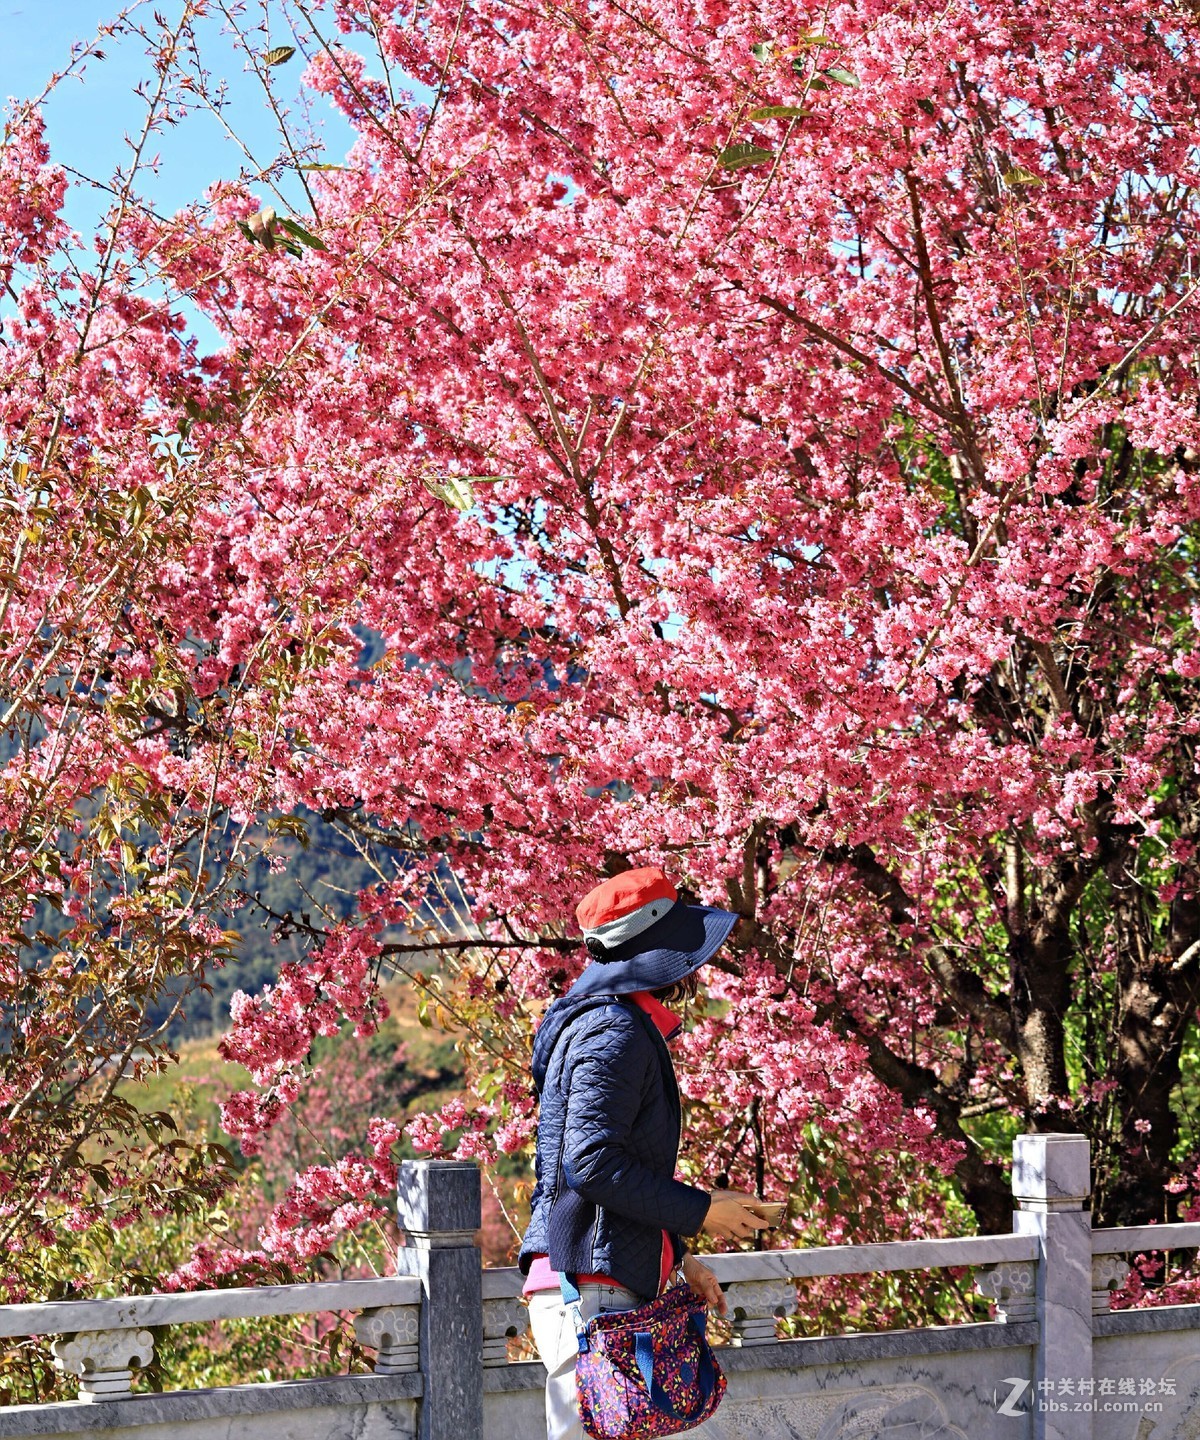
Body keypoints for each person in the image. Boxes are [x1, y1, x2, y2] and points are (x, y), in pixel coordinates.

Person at [519, 865, 771, 1440]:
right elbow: (590, 1164)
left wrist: (678, 1255)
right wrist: (702, 1210)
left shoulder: (603, 1023)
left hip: (590, 1277)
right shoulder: (615, 1031)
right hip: (591, 1287)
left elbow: (600, 1169)